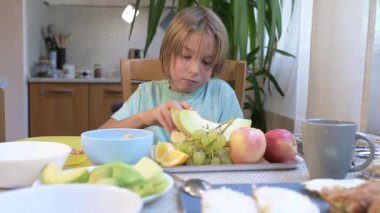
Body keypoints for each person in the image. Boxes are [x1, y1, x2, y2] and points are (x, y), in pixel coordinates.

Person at [100, 6, 244, 142]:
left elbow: (242, 144)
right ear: (167, 54)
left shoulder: (222, 94)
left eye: (206, 62)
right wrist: (144, 118)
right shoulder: (146, 93)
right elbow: (101, 135)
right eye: (186, 56)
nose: (194, 69)